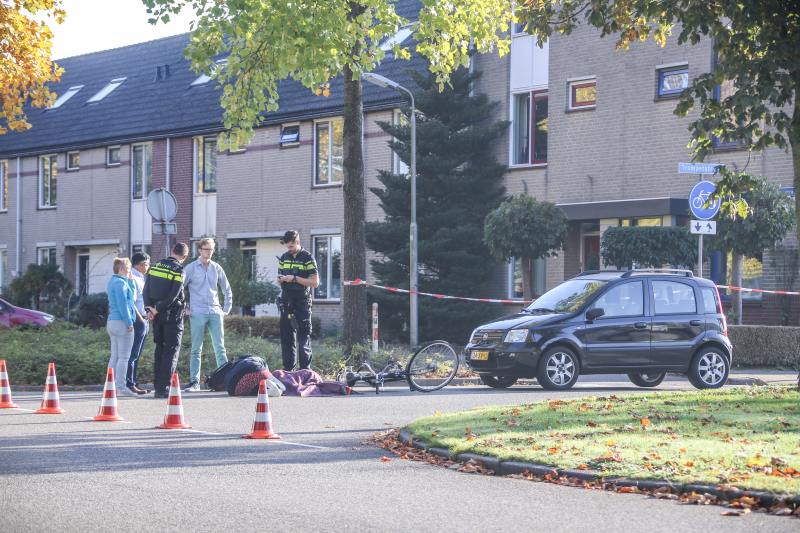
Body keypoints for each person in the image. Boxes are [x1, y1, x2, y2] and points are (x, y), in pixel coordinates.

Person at [182, 237, 233, 392]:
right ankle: (194, 382)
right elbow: (178, 290)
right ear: (199, 250)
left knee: (220, 348)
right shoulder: (190, 268)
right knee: (196, 348)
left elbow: (227, 289)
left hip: (215, 312)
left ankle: (224, 381)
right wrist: (185, 310)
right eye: (206, 249)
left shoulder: (217, 268)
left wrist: (226, 309)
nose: (209, 252)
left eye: (211, 249)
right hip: (198, 312)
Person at [144, 243, 189, 399]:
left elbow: (146, 290)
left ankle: (158, 385)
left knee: (160, 349)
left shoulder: (155, 267)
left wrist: (149, 309)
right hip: (171, 316)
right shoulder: (179, 270)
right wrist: (157, 309)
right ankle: (163, 388)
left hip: (156, 316)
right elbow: (174, 295)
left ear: (171, 252)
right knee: (171, 350)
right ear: (184, 257)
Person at [276, 230, 319, 371]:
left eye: (291, 246)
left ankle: (305, 371)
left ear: (297, 242)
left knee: (303, 338)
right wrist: (281, 280)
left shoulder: (308, 258)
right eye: (287, 247)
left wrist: (294, 279)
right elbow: (279, 280)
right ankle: (288, 370)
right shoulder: (283, 257)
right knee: (287, 338)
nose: (289, 249)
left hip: (302, 302)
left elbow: (315, 282)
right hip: (286, 301)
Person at [106, 257, 138, 398]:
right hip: (121, 322)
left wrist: (130, 281)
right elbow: (124, 304)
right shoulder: (120, 283)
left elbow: (132, 297)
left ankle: (110, 386)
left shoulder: (114, 281)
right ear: (121, 269)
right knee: (124, 357)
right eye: (128, 268)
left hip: (112, 322)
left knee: (115, 357)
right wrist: (129, 321)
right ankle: (121, 387)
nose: (130, 270)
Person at [126, 252, 151, 395]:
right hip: (138, 320)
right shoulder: (134, 278)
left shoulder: (140, 277)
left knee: (137, 354)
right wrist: (140, 319)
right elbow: (131, 301)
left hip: (144, 318)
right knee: (133, 354)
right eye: (147, 264)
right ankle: (130, 384)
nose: (148, 267)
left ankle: (134, 382)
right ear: (142, 264)